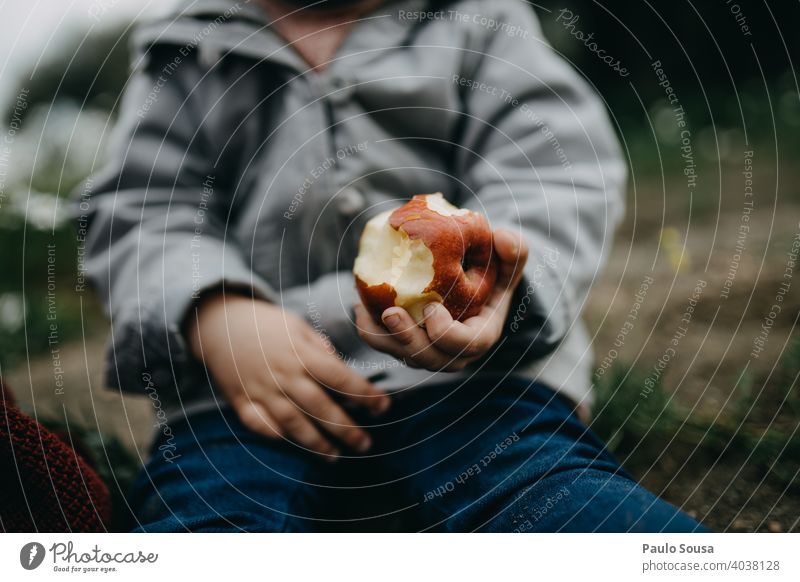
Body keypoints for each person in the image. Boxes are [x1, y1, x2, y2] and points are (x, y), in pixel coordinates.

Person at [80, 0, 707, 532]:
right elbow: (143, 208)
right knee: (209, 518)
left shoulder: (477, 20)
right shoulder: (190, 49)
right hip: (251, 399)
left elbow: (554, 164)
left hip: (478, 384)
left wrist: (502, 286)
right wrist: (213, 307)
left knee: (558, 505)